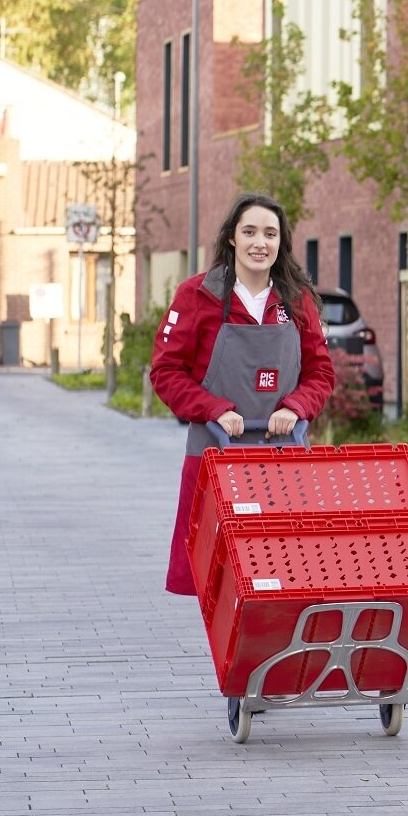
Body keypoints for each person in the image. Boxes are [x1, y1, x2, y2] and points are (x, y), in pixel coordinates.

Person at [151, 193, 336, 596]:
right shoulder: (197, 295)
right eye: (249, 231)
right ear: (232, 238)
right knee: (217, 580)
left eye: (270, 234)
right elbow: (166, 371)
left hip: (282, 458)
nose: (259, 243)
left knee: (283, 575)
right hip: (214, 456)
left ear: (280, 243)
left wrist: (296, 406)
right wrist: (213, 409)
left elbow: (321, 371)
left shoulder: (297, 300)